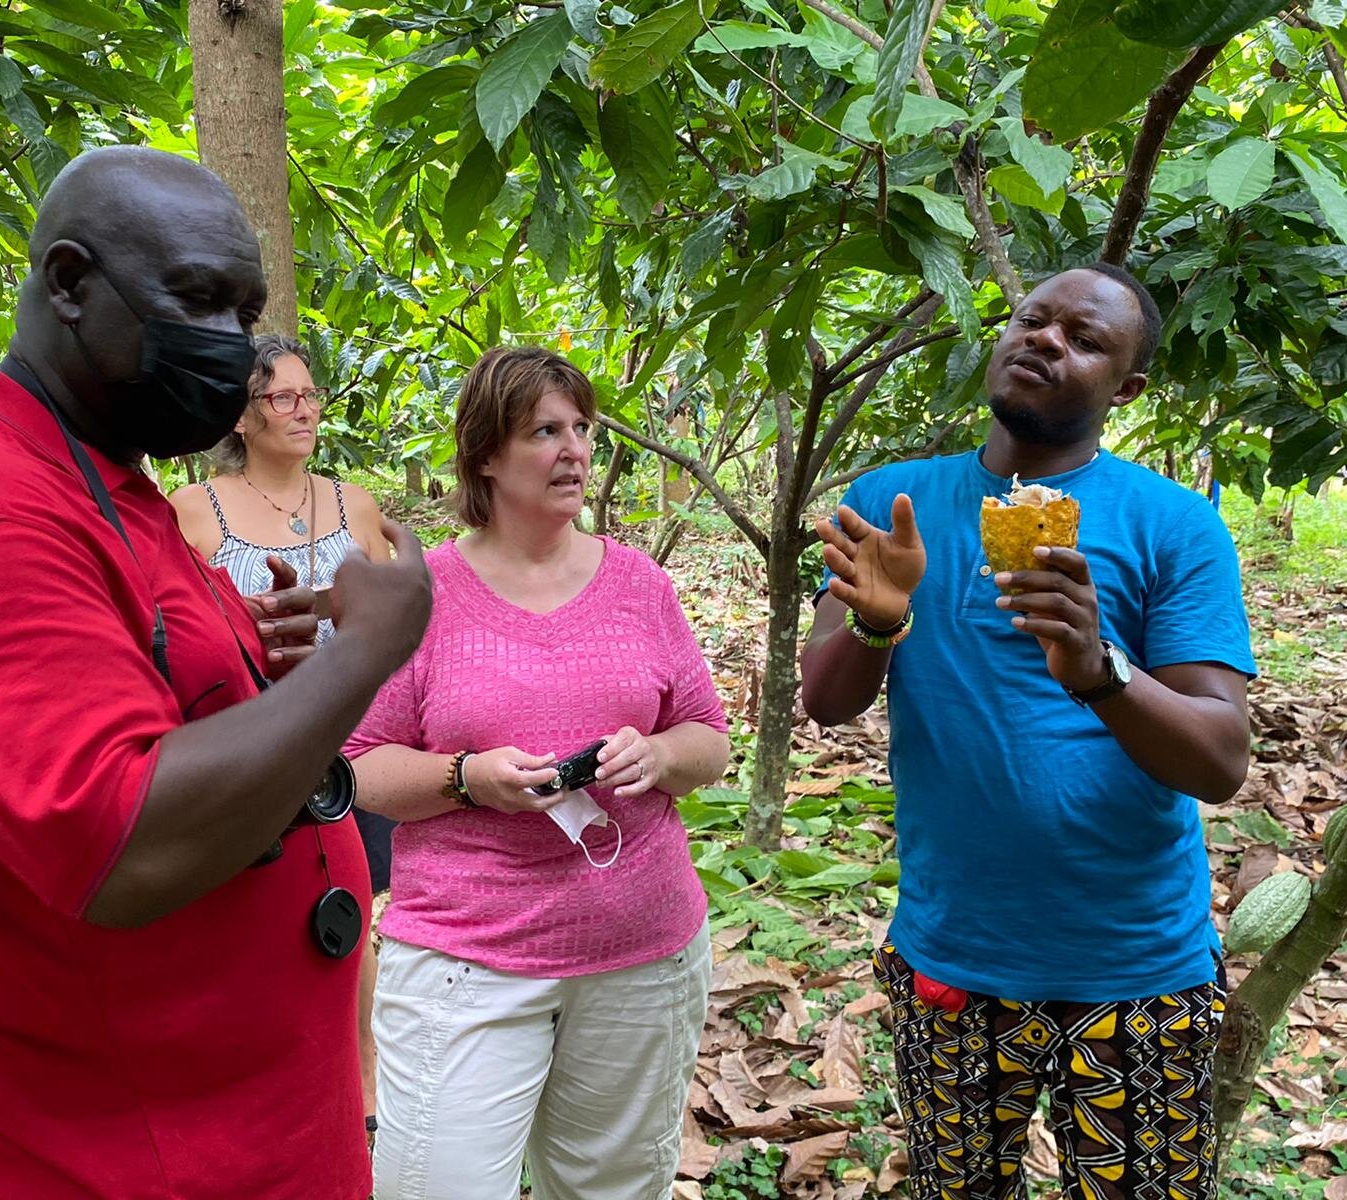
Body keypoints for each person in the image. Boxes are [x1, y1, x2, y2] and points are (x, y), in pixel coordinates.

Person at [0, 146, 431, 1200]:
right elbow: (121, 842)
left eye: (244, 314)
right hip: (88, 1158)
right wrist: (362, 663)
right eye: (199, 300)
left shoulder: (101, 484)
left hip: (218, 1131)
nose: (233, 352)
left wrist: (262, 671)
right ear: (68, 283)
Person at [800, 264, 1254, 1200]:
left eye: (1084, 340)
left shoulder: (1173, 525)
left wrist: (1102, 670)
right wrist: (881, 622)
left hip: (1136, 969)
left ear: (1126, 388)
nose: (1046, 340)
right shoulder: (895, 499)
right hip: (955, 954)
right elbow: (826, 702)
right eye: (1034, 319)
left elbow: (1219, 760)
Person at [343, 346, 731, 1200]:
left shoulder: (640, 585)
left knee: (614, 1186)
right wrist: (465, 778)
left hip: (640, 951)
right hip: (467, 957)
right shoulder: (423, 593)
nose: (575, 450)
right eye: (544, 432)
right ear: (486, 455)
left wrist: (659, 755)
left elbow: (709, 737)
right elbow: (361, 765)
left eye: (581, 429)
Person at [169, 332, 396, 1125]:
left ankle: (361, 1088)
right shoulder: (195, 512)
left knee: (357, 912)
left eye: (310, 395)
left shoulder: (354, 504)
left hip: (348, 742)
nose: (303, 411)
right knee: (256, 921)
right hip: (248, 746)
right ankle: (260, 1083)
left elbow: (395, 618)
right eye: (283, 397)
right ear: (244, 414)